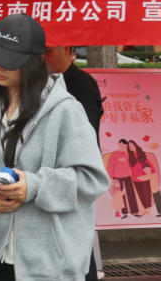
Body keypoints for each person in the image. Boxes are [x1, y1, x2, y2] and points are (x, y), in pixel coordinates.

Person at [0, 13, 109, 281]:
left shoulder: (66, 110)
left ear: (34, 62)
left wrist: (34, 186)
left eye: (10, 61)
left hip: (54, 265)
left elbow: (92, 179)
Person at [45, 45, 105, 280]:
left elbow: (86, 137)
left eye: (49, 50)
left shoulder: (81, 83)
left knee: (75, 244)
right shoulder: (41, 83)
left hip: (71, 178)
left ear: (68, 50)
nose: (42, 56)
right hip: (46, 182)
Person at [106, 139, 139, 218]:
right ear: (118, 144)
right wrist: (111, 178)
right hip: (117, 178)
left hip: (127, 176)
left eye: (124, 145)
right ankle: (124, 212)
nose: (122, 146)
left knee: (131, 193)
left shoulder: (127, 154)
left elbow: (131, 165)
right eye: (121, 145)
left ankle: (135, 211)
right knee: (120, 195)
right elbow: (110, 166)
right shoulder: (114, 154)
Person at [127, 139, 153, 216]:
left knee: (147, 195)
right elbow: (130, 169)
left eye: (132, 145)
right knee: (141, 196)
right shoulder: (130, 157)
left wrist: (152, 172)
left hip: (144, 178)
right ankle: (146, 211)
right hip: (135, 179)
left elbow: (149, 164)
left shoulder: (142, 154)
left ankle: (148, 211)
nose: (131, 147)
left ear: (135, 145)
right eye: (129, 146)